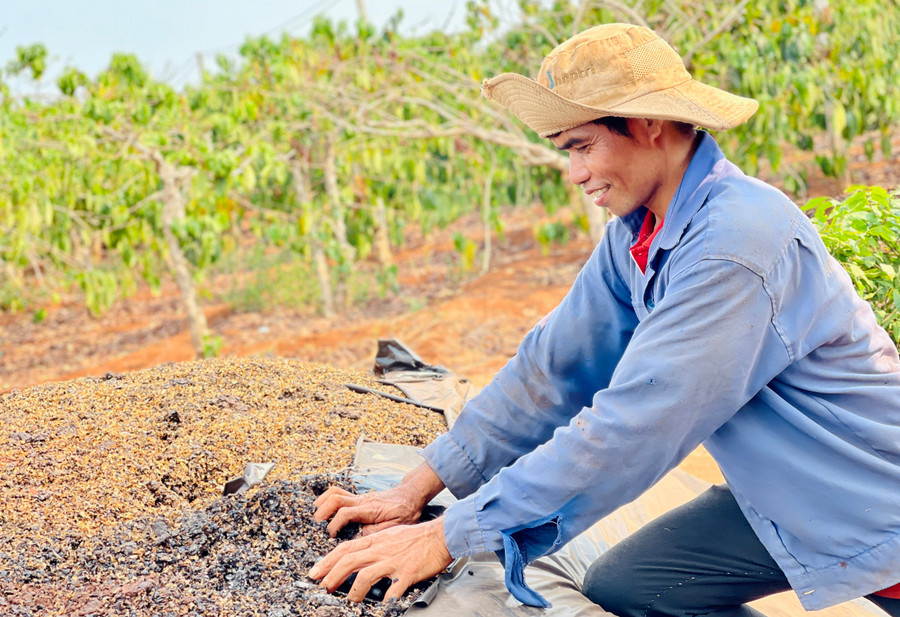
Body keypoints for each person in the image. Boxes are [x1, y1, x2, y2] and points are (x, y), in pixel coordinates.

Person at [309, 22, 900, 617]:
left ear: (648, 124)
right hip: (777, 487)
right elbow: (552, 369)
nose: (576, 173)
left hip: (867, 496)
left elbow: (635, 425)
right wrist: (414, 490)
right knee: (633, 589)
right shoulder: (638, 235)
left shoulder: (736, 244)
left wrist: (447, 536)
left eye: (583, 146)